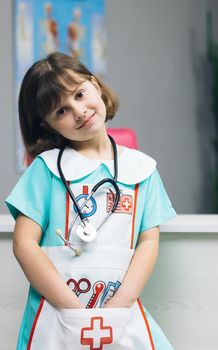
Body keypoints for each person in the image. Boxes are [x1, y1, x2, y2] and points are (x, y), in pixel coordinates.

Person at [6, 52, 176, 350]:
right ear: (47, 126)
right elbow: (24, 244)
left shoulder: (143, 169)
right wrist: (72, 309)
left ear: (96, 85)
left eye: (80, 94)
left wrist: (121, 304)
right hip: (57, 312)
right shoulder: (45, 171)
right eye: (61, 111)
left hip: (121, 310)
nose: (79, 110)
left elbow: (148, 242)